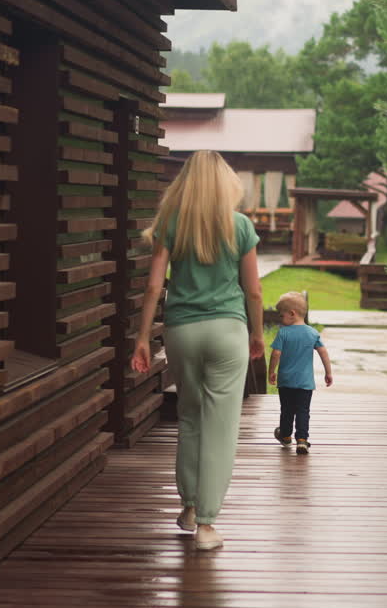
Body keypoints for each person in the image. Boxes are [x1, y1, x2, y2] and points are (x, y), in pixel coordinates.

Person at [132, 150, 263, 551]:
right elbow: (254, 290)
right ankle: (207, 524)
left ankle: (189, 507)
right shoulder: (240, 226)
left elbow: (155, 286)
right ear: (226, 185)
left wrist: (141, 337)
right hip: (227, 330)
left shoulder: (171, 224)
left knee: (189, 418)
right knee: (220, 426)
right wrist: (258, 333)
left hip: (181, 330)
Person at [268, 291, 332, 455]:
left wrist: (271, 371)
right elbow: (323, 351)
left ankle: (286, 435)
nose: (280, 320)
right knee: (303, 411)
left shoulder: (283, 333)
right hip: (305, 383)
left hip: (286, 382)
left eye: (281, 316)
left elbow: (276, 354)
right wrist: (328, 372)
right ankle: (302, 440)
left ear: (292, 314)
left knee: (287, 409)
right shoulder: (312, 333)